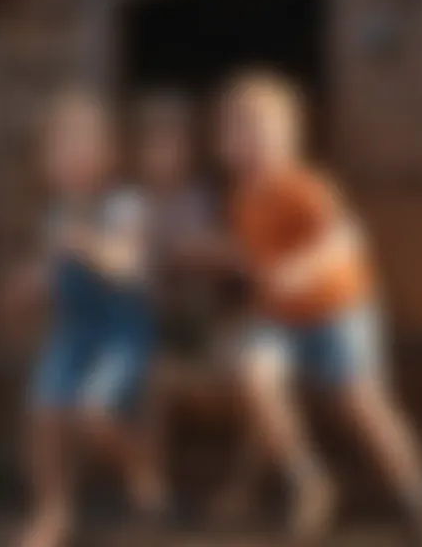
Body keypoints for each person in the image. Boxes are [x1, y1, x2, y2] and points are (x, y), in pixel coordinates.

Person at [216, 68, 422, 546]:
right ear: (224, 144)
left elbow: (345, 238)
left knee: (360, 400)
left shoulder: (306, 187)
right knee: (253, 371)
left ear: (290, 140)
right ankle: (308, 480)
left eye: (262, 132)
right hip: (282, 320)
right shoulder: (242, 201)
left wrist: (302, 268)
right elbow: (252, 265)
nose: (250, 143)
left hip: (337, 312)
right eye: (238, 132)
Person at [18, 91, 159, 547]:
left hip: (121, 334)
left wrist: (83, 242)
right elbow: (52, 277)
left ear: (108, 156)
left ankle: (140, 468)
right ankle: (53, 510)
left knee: (94, 413)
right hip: (73, 334)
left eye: (84, 148)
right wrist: (30, 285)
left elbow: (128, 267)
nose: (73, 159)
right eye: (63, 150)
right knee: (43, 412)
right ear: (48, 163)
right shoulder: (53, 216)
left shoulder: (125, 205)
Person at [133, 92, 256, 522]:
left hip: (199, 317)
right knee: (152, 383)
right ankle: (152, 490)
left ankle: (245, 487)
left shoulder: (201, 199)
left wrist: (193, 253)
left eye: (174, 146)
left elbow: (229, 257)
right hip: (152, 323)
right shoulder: (133, 204)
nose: (164, 156)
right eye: (154, 146)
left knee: (250, 370)